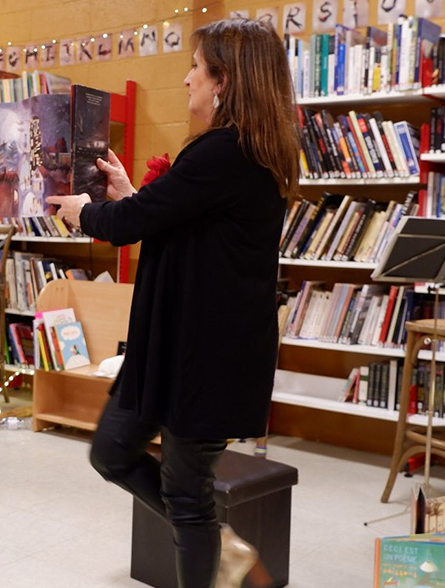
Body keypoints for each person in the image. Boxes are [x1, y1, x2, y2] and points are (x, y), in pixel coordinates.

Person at [47, 18, 299, 588]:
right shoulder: (237, 153)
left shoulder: (228, 151)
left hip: (206, 357)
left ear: (224, 82)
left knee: (187, 498)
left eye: (195, 68)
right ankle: (223, 545)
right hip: (176, 348)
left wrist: (82, 211)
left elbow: (131, 224)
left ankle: (215, 545)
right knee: (112, 452)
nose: (186, 80)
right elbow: (176, 222)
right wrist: (133, 198)